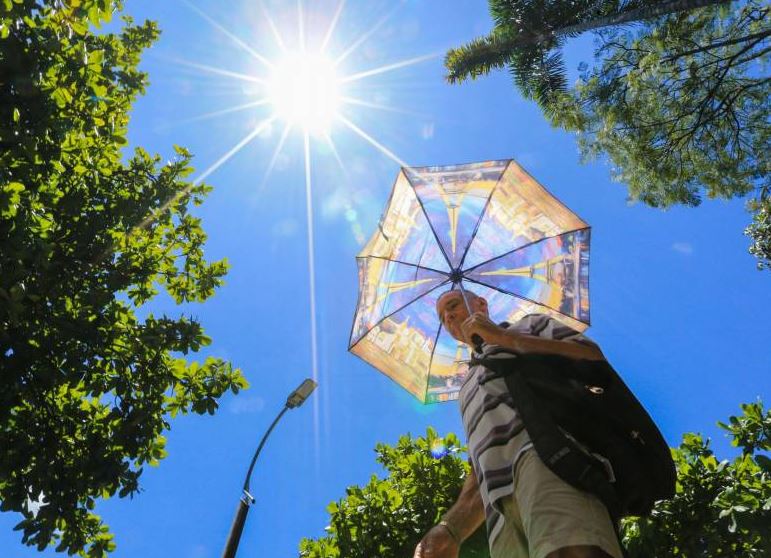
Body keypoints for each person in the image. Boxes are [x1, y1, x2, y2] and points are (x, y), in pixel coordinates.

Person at [413, 289, 623, 558]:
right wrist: (450, 528)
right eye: (443, 318)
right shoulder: (466, 388)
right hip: (499, 514)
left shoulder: (529, 325)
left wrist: (504, 338)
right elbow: (480, 470)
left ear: (481, 304)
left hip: (552, 466)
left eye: (452, 305)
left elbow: (592, 358)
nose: (449, 317)